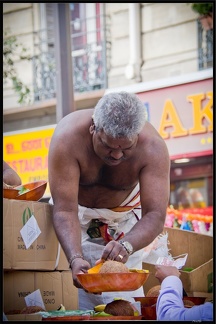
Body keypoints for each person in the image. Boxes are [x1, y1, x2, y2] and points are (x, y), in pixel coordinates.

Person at [48, 91, 170, 309]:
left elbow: (155, 215)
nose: (116, 155)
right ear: (93, 127)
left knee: (125, 307)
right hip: (73, 223)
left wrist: (127, 245)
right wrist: (75, 257)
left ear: (138, 135)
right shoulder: (67, 138)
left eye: (126, 148)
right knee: (75, 307)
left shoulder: (153, 147)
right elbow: (64, 210)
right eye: (108, 146)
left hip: (124, 227)